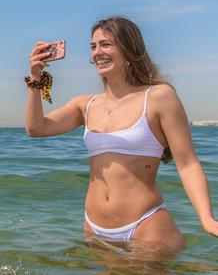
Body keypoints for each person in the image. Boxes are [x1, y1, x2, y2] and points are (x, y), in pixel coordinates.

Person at [24, 16, 218, 251]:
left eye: (106, 44)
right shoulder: (86, 105)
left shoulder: (158, 97)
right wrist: (36, 77)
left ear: (129, 49)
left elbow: (187, 163)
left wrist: (207, 219)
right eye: (93, 46)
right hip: (95, 230)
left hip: (146, 227)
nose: (97, 52)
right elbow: (36, 128)